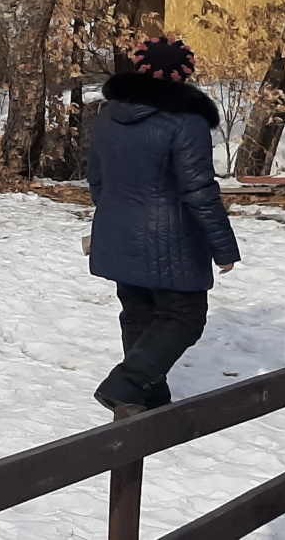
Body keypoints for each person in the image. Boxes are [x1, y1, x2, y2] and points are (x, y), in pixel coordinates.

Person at [86, 37, 241, 419]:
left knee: (138, 309)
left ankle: (145, 401)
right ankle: (126, 384)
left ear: (140, 69)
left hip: (119, 233)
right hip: (170, 239)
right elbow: (199, 190)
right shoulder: (186, 123)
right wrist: (224, 247)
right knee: (184, 315)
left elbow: (96, 179)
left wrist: (115, 219)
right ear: (185, 75)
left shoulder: (108, 116)